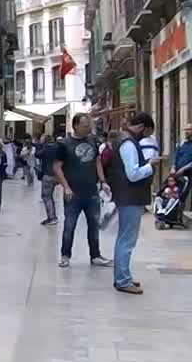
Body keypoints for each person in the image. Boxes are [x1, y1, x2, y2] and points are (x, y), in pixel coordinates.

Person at [105, 112, 161, 294]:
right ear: (142, 127)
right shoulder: (128, 144)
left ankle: (123, 276)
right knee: (127, 240)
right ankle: (122, 280)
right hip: (130, 197)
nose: (146, 137)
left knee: (125, 238)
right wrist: (150, 165)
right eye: (147, 133)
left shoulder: (125, 141)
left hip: (127, 196)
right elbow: (133, 173)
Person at [53, 113, 111, 269]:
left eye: (89, 125)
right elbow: (57, 167)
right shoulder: (64, 144)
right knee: (69, 225)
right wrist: (66, 187)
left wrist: (103, 181)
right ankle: (65, 255)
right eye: (85, 126)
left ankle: (95, 255)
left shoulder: (93, 141)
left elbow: (97, 161)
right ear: (76, 126)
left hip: (92, 191)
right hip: (73, 193)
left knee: (94, 224)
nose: (88, 129)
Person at [36, 134, 60, 225]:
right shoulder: (58, 147)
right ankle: (52, 216)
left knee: (46, 196)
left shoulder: (45, 148)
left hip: (48, 175)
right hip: (57, 175)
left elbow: (37, 155)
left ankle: (52, 217)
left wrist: (40, 145)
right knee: (50, 196)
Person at [176, 124, 192, 214]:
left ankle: (179, 215)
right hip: (178, 172)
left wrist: (184, 168)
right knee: (174, 191)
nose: (186, 132)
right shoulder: (182, 142)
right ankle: (173, 214)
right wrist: (173, 167)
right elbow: (176, 155)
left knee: (184, 193)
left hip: (188, 172)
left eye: (188, 130)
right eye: (185, 130)